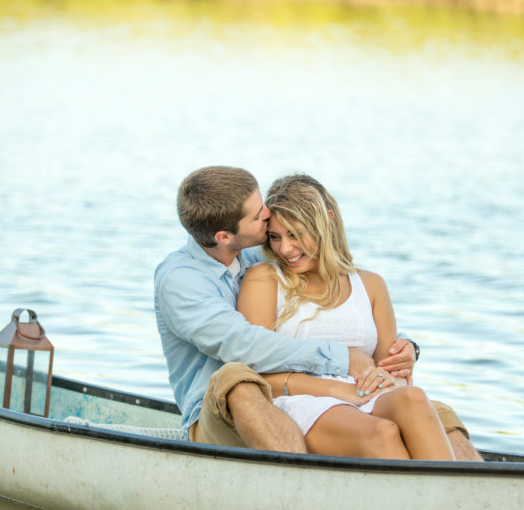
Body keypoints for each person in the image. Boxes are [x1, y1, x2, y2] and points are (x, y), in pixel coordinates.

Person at [155, 166, 477, 459]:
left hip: (343, 391)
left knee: (427, 408)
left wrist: (405, 349)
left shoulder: (252, 253)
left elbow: (339, 311)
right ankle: (301, 487)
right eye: (261, 219)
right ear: (224, 236)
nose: (278, 239)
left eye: (290, 232)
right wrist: (342, 362)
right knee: (238, 379)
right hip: (226, 409)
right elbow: (246, 347)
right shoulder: (183, 282)